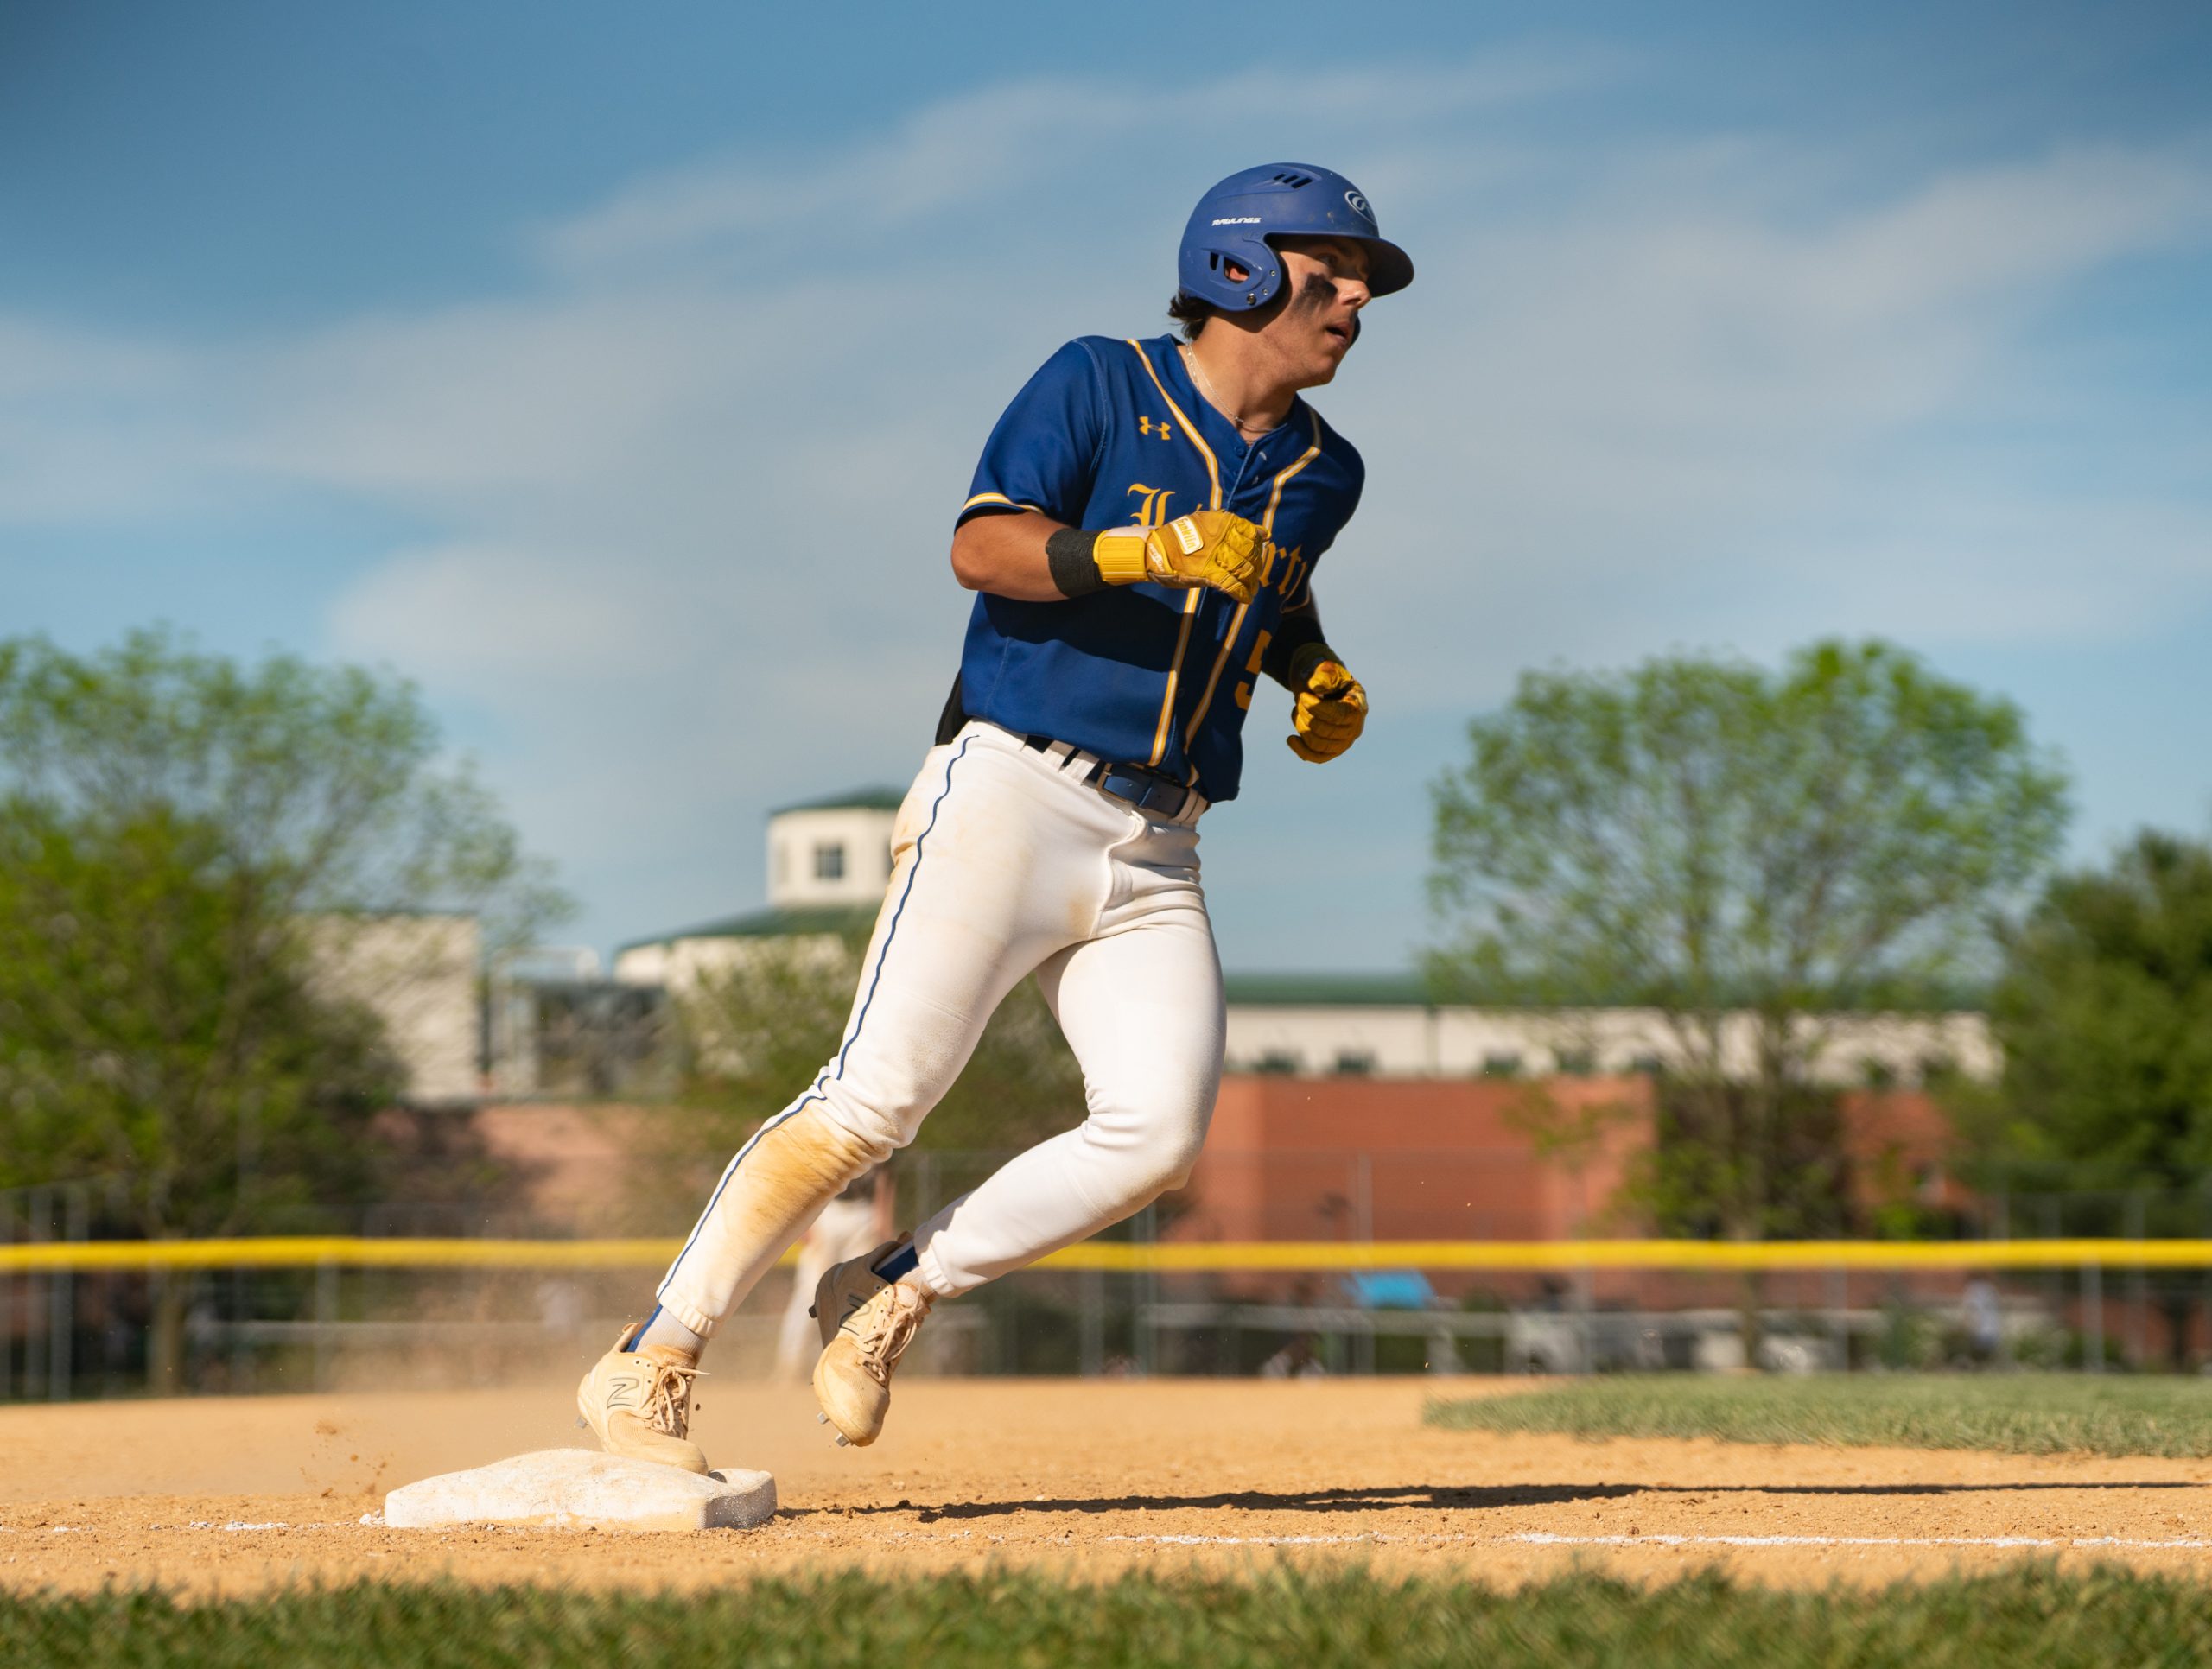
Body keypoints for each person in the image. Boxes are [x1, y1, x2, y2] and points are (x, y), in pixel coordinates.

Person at [577, 162, 1413, 1469]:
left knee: (1157, 1135)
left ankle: (891, 1290)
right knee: (871, 1105)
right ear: (1238, 267)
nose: (1357, 296)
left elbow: (1267, 590)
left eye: (1364, 279)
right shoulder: (1098, 379)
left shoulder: (1325, 469)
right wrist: (1144, 549)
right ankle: (656, 1353)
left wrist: (1310, 667)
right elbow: (984, 547)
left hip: (1162, 840)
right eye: (1332, 268)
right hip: (1013, 789)